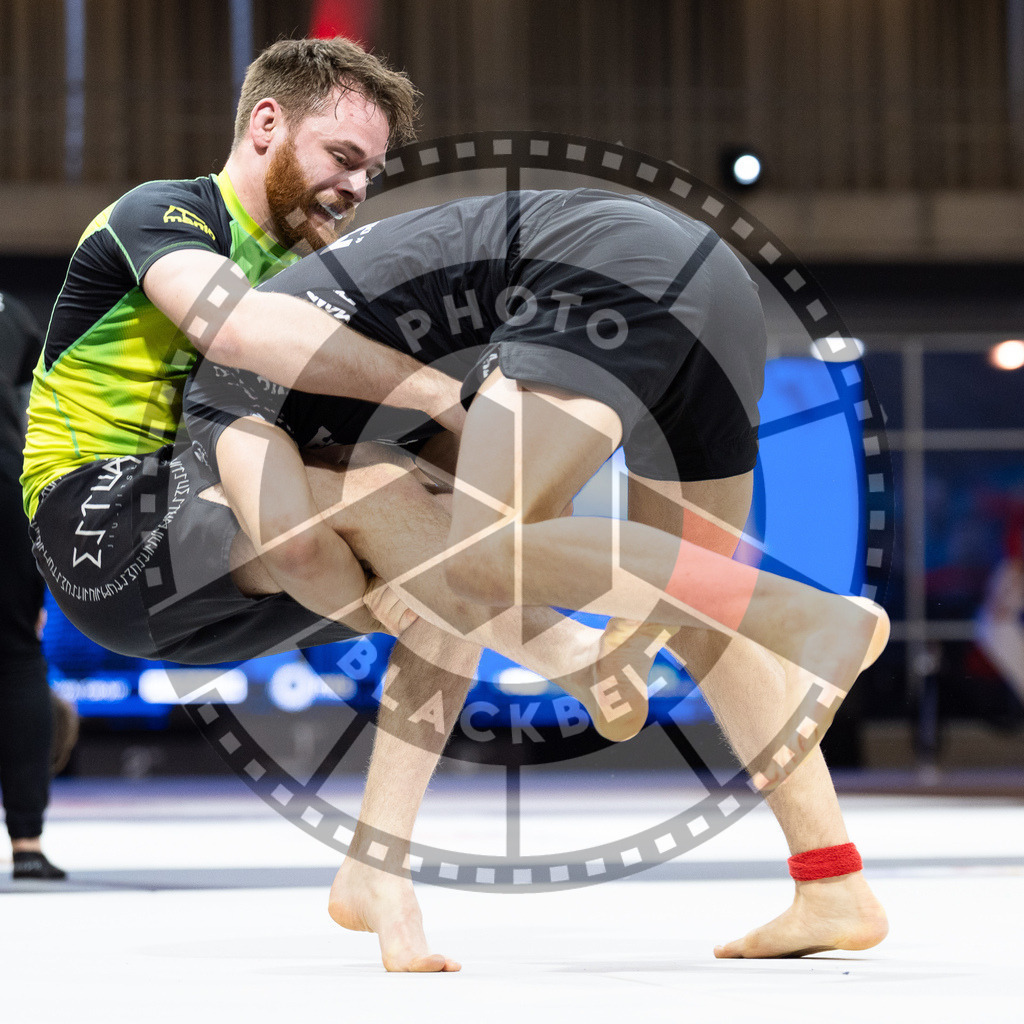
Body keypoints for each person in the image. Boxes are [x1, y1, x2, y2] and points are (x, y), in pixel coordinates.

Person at [20, 37, 656, 969]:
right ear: (267, 125)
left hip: (226, 551)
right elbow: (239, 330)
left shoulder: (322, 274)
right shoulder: (161, 215)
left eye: (372, 172)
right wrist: (437, 396)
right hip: (99, 520)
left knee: (446, 551)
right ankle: (564, 646)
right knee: (388, 494)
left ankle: (376, 867)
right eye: (342, 158)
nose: (356, 188)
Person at [185, 187, 891, 961]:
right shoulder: (366, 358)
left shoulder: (228, 399)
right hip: (715, 280)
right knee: (690, 602)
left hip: (607, 270)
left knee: (483, 552)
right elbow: (447, 607)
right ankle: (831, 883)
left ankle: (819, 621)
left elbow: (343, 550)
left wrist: (366, 603)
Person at [0, 290, 70, 880]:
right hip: (5, 487)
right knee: (18, 654)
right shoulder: (12, 312)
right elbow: (44, 402)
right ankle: (27, 844)